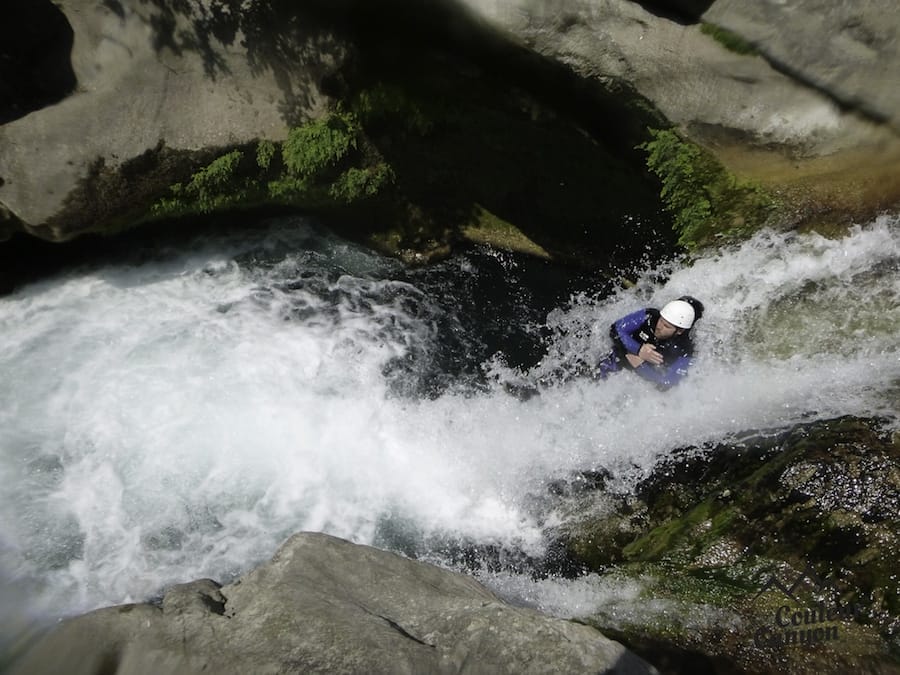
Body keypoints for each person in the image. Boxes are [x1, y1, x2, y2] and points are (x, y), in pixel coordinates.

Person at [595, 296, 704, 389]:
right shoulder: (649, 316)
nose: (659, 327)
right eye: (661, 320)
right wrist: (638, 349)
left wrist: (640, 366)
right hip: (617, 360)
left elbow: (667, 384)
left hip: (640, 382)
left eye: (667, 326)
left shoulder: (684, 349)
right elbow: (615, 329)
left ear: (679, 331)